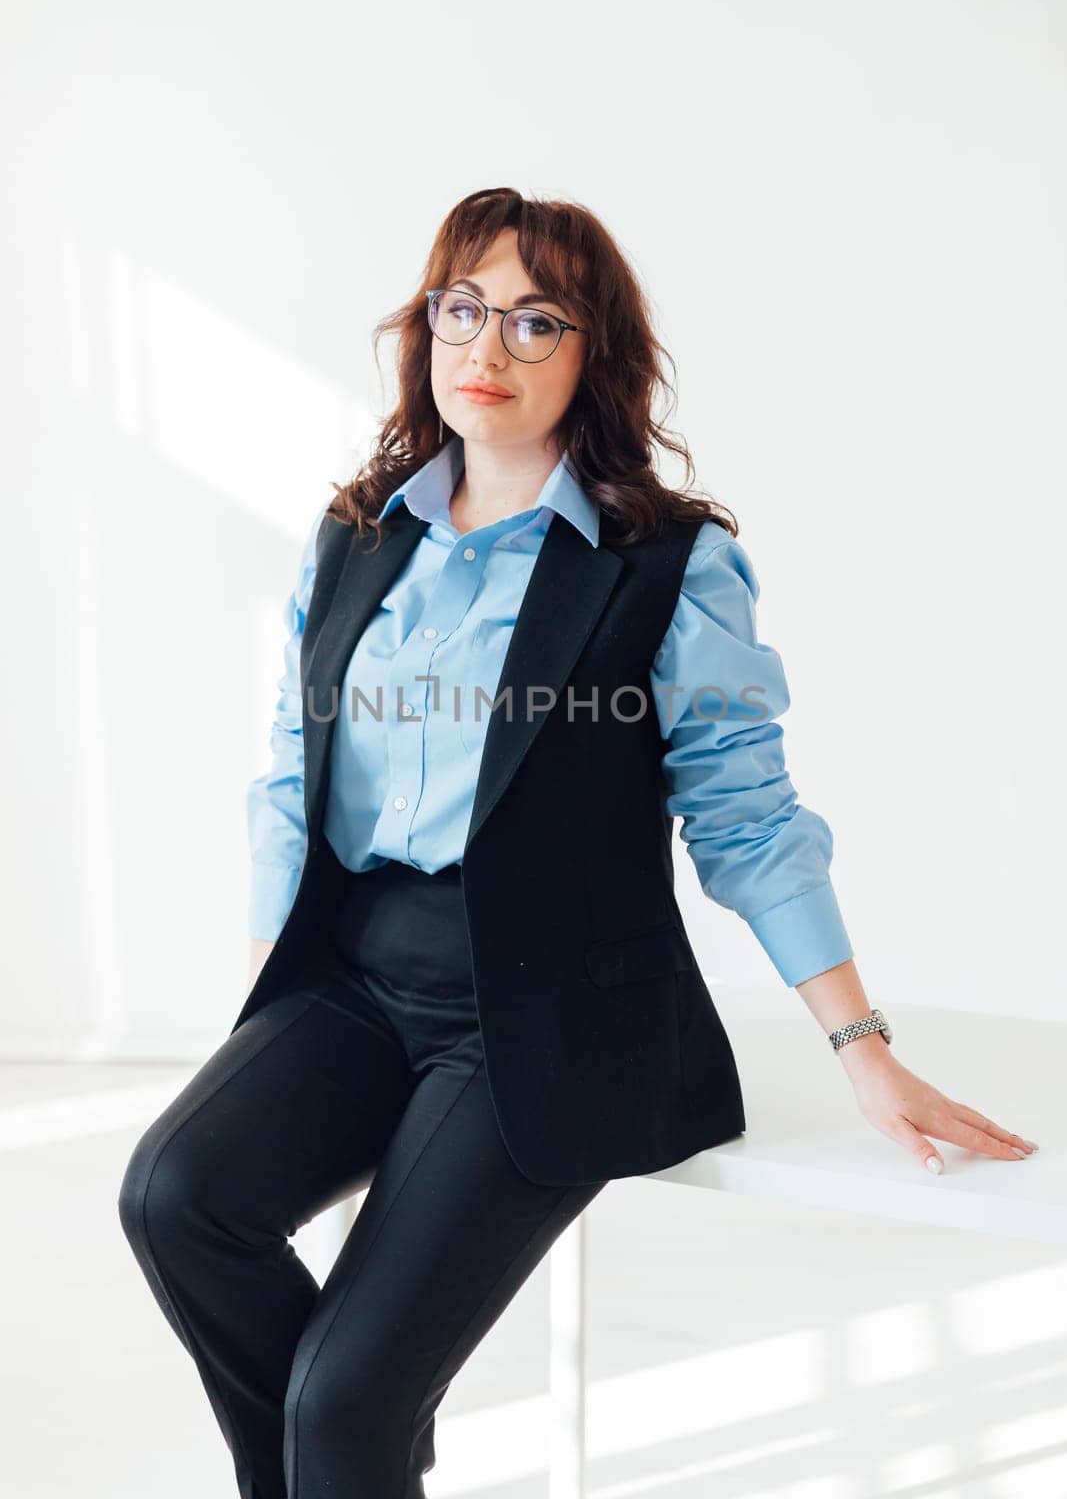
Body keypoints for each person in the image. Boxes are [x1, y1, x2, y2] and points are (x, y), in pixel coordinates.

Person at [118, 186, 1037, 1499]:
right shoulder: (358, 538)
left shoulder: (663, 566)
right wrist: (265, 1020)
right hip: (359, 975)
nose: (488, 350)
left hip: (543, 1011)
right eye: (464, 310)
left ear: (593, 356)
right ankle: (342, 1465)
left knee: (342, 1397)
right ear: (425, 331)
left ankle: (344, 1451)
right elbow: (289, 777)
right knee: (174, 1198)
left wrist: (861, 1046)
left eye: (535, 321)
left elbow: (747, 815)